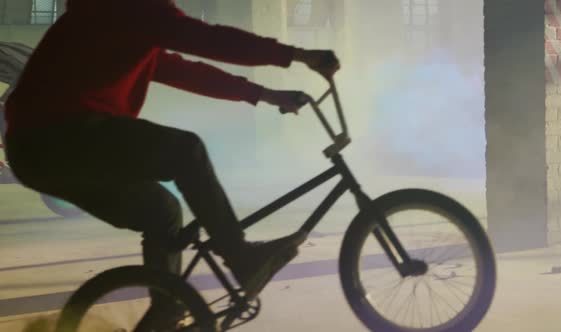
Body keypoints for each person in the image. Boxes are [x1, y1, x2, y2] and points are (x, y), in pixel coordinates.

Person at [3, 0, 340, 327]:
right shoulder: (129, 6)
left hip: (40, 150)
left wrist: (264, 94)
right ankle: (241, 258)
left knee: (163, 211)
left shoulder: (123, 18)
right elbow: (205, 39)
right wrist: (298, 55)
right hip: (57, 135)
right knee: (186, 151)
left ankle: (164, 313)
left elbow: (180, 70)